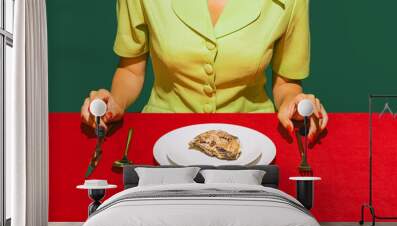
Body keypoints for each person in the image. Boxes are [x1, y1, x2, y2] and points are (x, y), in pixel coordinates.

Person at [81, 0, 328, 141]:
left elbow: (286, 83)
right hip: (164, 134)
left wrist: (292, 102)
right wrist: (116, 103)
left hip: (251, 137)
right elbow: (131, 71)